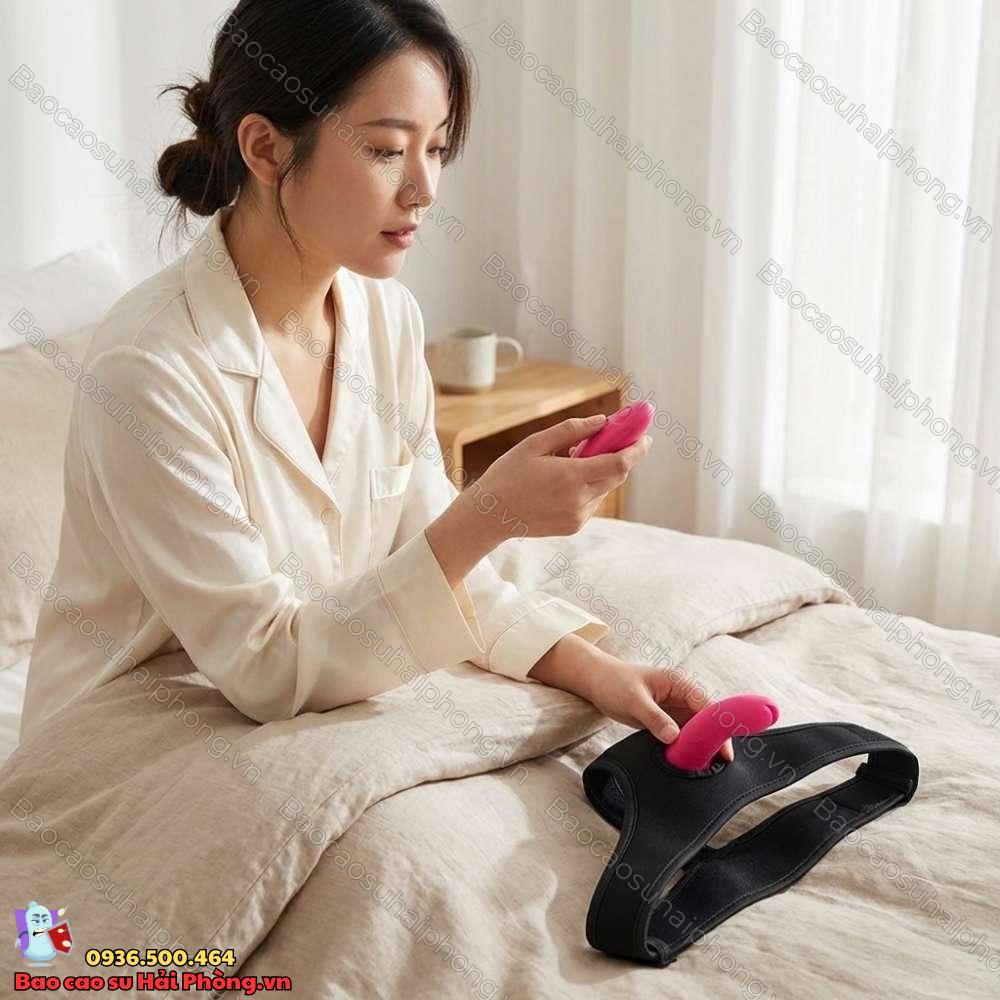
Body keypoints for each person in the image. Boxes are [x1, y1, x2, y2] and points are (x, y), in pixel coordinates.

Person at [20, 0, 732, 762]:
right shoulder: (148, 371)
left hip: (290, 709)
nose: (424, 188)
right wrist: (490, 513)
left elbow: (429, 566)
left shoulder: (386, 320)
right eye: (389, 150)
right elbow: (268, 666)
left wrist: (597, 673)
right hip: (129, 742)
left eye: (438, 148)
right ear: (265, 148)